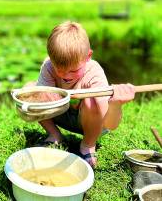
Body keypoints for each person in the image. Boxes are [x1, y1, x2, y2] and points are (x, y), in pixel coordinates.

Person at [25, 21, 135, 168]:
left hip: (92, 122)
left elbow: (109, 124)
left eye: (72, 70)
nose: (65, 75)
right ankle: (55, 135)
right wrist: (35, 97)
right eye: (59, 69)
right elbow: (39, 99)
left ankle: (88, 145)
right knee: (30, 89)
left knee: (90, 101)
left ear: (88, 56)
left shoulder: (94, 73)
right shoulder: (49, 66)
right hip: (61, 113)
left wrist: (115, 104)